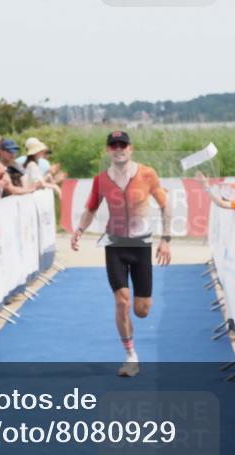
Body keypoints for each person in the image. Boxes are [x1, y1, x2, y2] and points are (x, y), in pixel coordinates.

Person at [70, 131, 171, 378]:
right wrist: (79, 230)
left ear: (130, 148)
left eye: (122, 145)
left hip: (141, 245)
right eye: (113, 145)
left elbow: (165, 205)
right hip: (115, 245)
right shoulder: (101, 180)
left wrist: (166, 239)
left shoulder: (147, 174)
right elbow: (91, 209)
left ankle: (137, 313)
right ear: (108, 150)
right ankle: (131, 356)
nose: (118, 149)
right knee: (122, 301)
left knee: (142, 310)